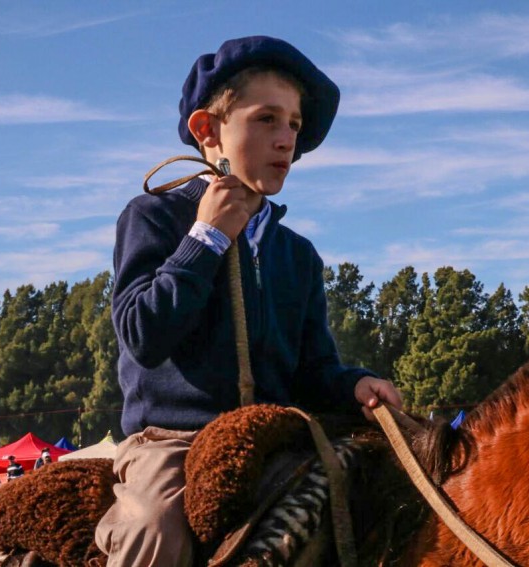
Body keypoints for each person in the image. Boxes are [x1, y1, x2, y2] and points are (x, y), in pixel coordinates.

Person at [94, 36, 402, 566]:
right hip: (173, 444)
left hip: (278, 437)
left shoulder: (297, 255)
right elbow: (142, 336)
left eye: (295, 125)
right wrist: (206, 240)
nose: (287, 141)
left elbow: (312, 370)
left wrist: (354, 383)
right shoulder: (154, 217)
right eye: (266, 120)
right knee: (154, 528)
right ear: (207, 130)